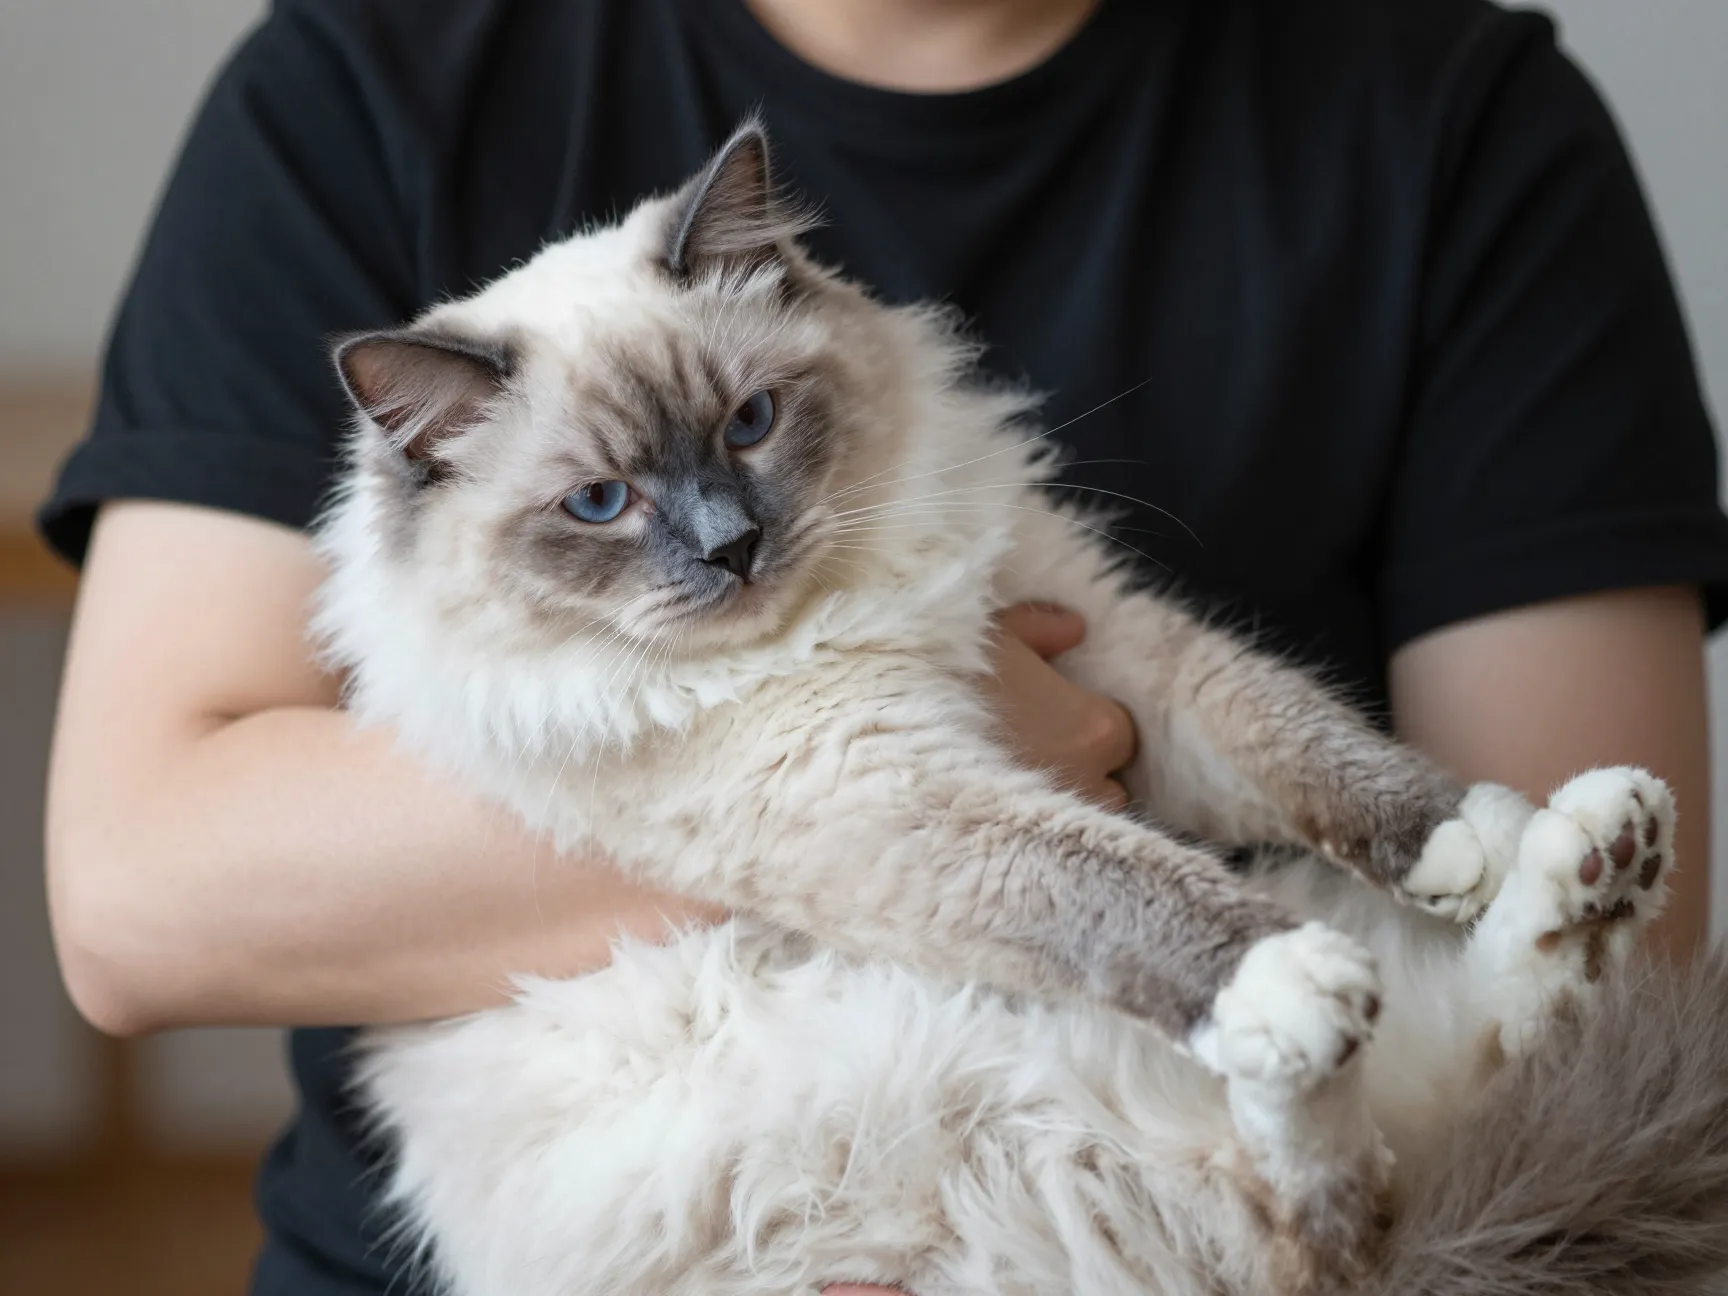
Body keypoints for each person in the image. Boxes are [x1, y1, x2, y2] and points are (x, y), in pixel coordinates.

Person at [38, 1, 1728, 1293]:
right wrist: (882, 776)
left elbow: (1603, 952)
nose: (720, 538)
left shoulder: (1453, 109)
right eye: (606, 503)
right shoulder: (364, 76)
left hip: (1176, 1149)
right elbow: (133, 902)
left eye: (750, 431)